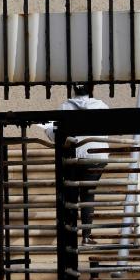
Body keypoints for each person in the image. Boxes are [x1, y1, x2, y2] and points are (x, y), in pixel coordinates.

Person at [61, 84, 110, 244]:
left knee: (71, 196)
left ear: (73, 89)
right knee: (88, 193)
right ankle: (86, 236)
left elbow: (54, 131)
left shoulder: (65, 106)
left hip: (73, 156)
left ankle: (70, 237)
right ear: (92, 89)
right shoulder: (101, 106)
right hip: (96, 156)